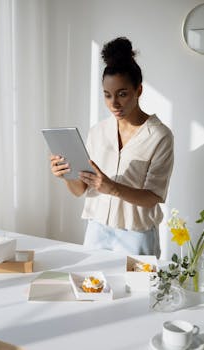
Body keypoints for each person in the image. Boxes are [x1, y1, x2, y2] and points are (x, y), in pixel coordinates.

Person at [50, 37, 174, 258]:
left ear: (139, 90)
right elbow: (80, 190)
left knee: (139, 292)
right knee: (92, 291)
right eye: (107, 95)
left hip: (137, 235)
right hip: (96, 231)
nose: (114, 103)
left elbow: (154, 196)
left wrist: (113, 188)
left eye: (122, 94)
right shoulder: (97, 132)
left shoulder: (159, 136)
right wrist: (66, 175)